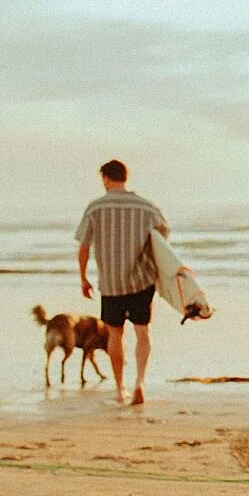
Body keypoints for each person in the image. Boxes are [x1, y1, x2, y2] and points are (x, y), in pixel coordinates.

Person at [75, 160, 170, 405]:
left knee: (115, 334)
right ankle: (140, 382)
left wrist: (83, 277)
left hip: (111, 282)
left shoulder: (95, 208)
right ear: (126, 177)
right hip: (142, 279)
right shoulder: (147, 207)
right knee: (143, 332)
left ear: (106, 178)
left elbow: (84, 246)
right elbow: (164, 235)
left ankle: (120, 389)